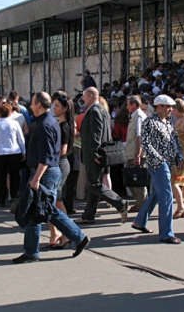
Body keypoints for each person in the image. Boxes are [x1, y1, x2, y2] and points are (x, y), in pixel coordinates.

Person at [12, 92, 90, 264]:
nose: (30, 106)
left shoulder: (46, 124)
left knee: (47, 210)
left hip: (45, 173)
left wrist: (36, 178)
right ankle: (31, 252)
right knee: (37, 212)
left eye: (32, 103)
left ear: (39, 104)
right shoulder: (46, 122)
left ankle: (78, 237)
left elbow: (47, 156)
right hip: (45, 172)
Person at [131, 95, 184, 244]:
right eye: (167, 107)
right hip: (158, 165)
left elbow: (175, 141)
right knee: (166, 197)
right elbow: (146, 144)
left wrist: (179, 157)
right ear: (158, 107)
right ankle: (166, 233)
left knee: (157, 193)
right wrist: (159, 160)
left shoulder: (167, 122)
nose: (170, 110)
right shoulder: (150, 122)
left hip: (166, 163)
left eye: (171, 107)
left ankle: (140, 221)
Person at [75, 87, 129, 225]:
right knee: (92, 185)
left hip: (96, 154)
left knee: (94, 184)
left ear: (91, 96)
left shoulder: (94, 111)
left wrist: (94, 152)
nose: (83, 100)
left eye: (85, 97)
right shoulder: (102, 110)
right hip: (102, 153)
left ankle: (120, 203)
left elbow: (96, 133)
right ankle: (88, 215)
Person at [45, 93, 75, 248]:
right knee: (54, 200)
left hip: (60, 163)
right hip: (59, 162)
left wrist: (48, 157)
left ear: (64, 108)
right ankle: (57, 233)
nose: (53, 108)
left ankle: (64, 233)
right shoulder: (62, 124)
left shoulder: (64, 126)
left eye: (56, 105)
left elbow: (62, 150)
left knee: (55, 200)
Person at [0, 103, 25, 207]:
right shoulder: (15, 123)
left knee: (1, 177)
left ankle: (1, 200)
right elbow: (21, 139)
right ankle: (14, 196)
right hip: (14, 151)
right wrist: (23, 151)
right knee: (15, 175)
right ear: (10, 112)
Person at [125, 96, 148, 212]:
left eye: (128, 104)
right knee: (130, 179)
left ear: (134, 105)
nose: (126, 107)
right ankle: (139, 202)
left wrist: (138, 155)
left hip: (136, 153)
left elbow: (140, 136)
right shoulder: (134, 116)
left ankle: (142, 205)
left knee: (138, 180)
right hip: (131, 152)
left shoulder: (139, 117)